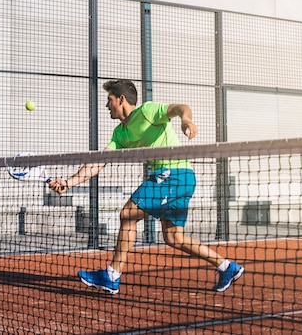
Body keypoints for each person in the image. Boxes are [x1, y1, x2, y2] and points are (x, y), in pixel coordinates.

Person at [49, 79, 244, 294]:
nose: (107, 106)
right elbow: (98, 162)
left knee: (127, 214)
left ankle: (112, 275)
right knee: (174, 238)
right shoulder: (120, 133)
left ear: (121, 99)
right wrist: (69, 182)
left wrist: (186, 120)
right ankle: (227, 266)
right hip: (180, 179)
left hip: (174, 174)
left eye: (109, 100)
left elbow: (180, 108)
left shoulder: (147, 111)